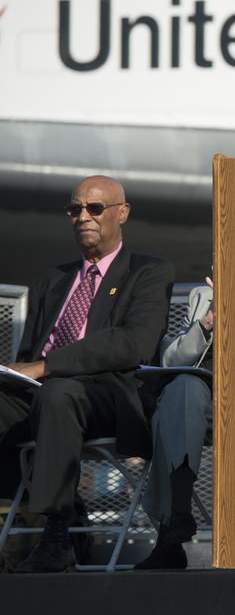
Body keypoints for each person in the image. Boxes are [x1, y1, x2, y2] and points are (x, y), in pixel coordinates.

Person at [0, 176, 173, 572]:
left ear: (122, 213)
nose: (82, 217)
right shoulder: (51, 280)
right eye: (74, 209)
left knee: (59, 393)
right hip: (43, 393)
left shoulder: (149, 272)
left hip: (109, 392)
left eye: (95, 209)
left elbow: (132, 345)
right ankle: (26, 512)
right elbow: (29, 356)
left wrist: (47, 367)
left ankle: (56, 534)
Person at [133, 281, 213, 570]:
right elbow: (171, 359)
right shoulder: (203, 297)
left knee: (172, 408)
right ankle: (178, 512)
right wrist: (207, 323)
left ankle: (168, 535)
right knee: (182, 389)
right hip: (208, 403)